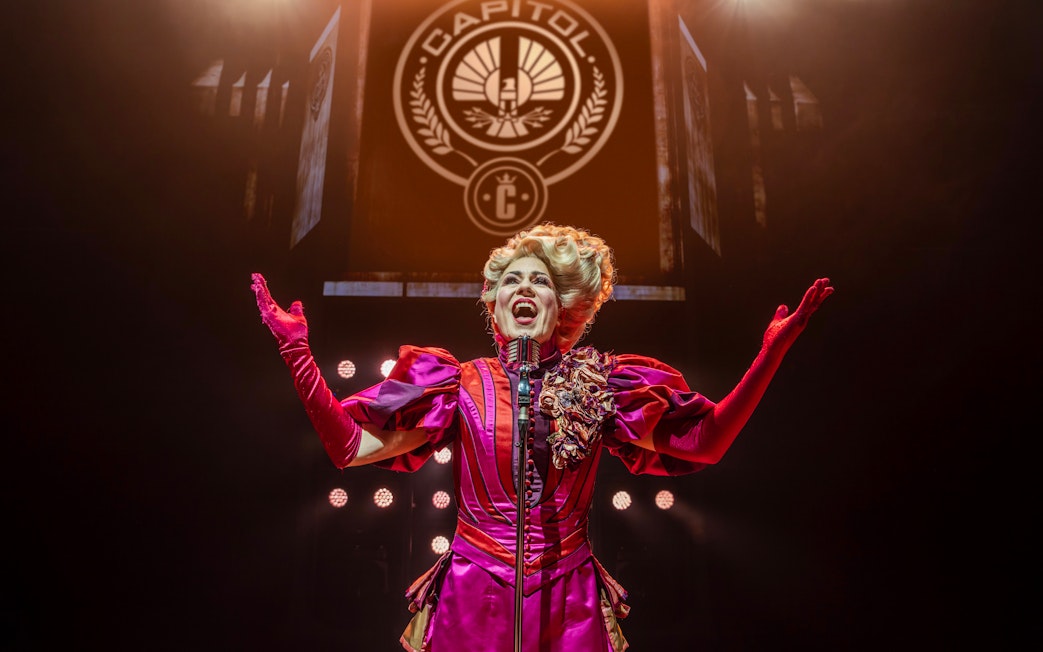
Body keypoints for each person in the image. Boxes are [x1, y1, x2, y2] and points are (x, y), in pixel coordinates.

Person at [251, 223, 833, 652]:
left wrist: (770, 353)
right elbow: (348, 446)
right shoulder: (457, 383)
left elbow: (706, 442)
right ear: (494, 302)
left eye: (541, 281)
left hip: (570, 598)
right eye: (511, 280)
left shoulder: (603, 381)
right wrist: (296, 351)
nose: (524, 287)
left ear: (565, 308)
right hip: (471, 593)